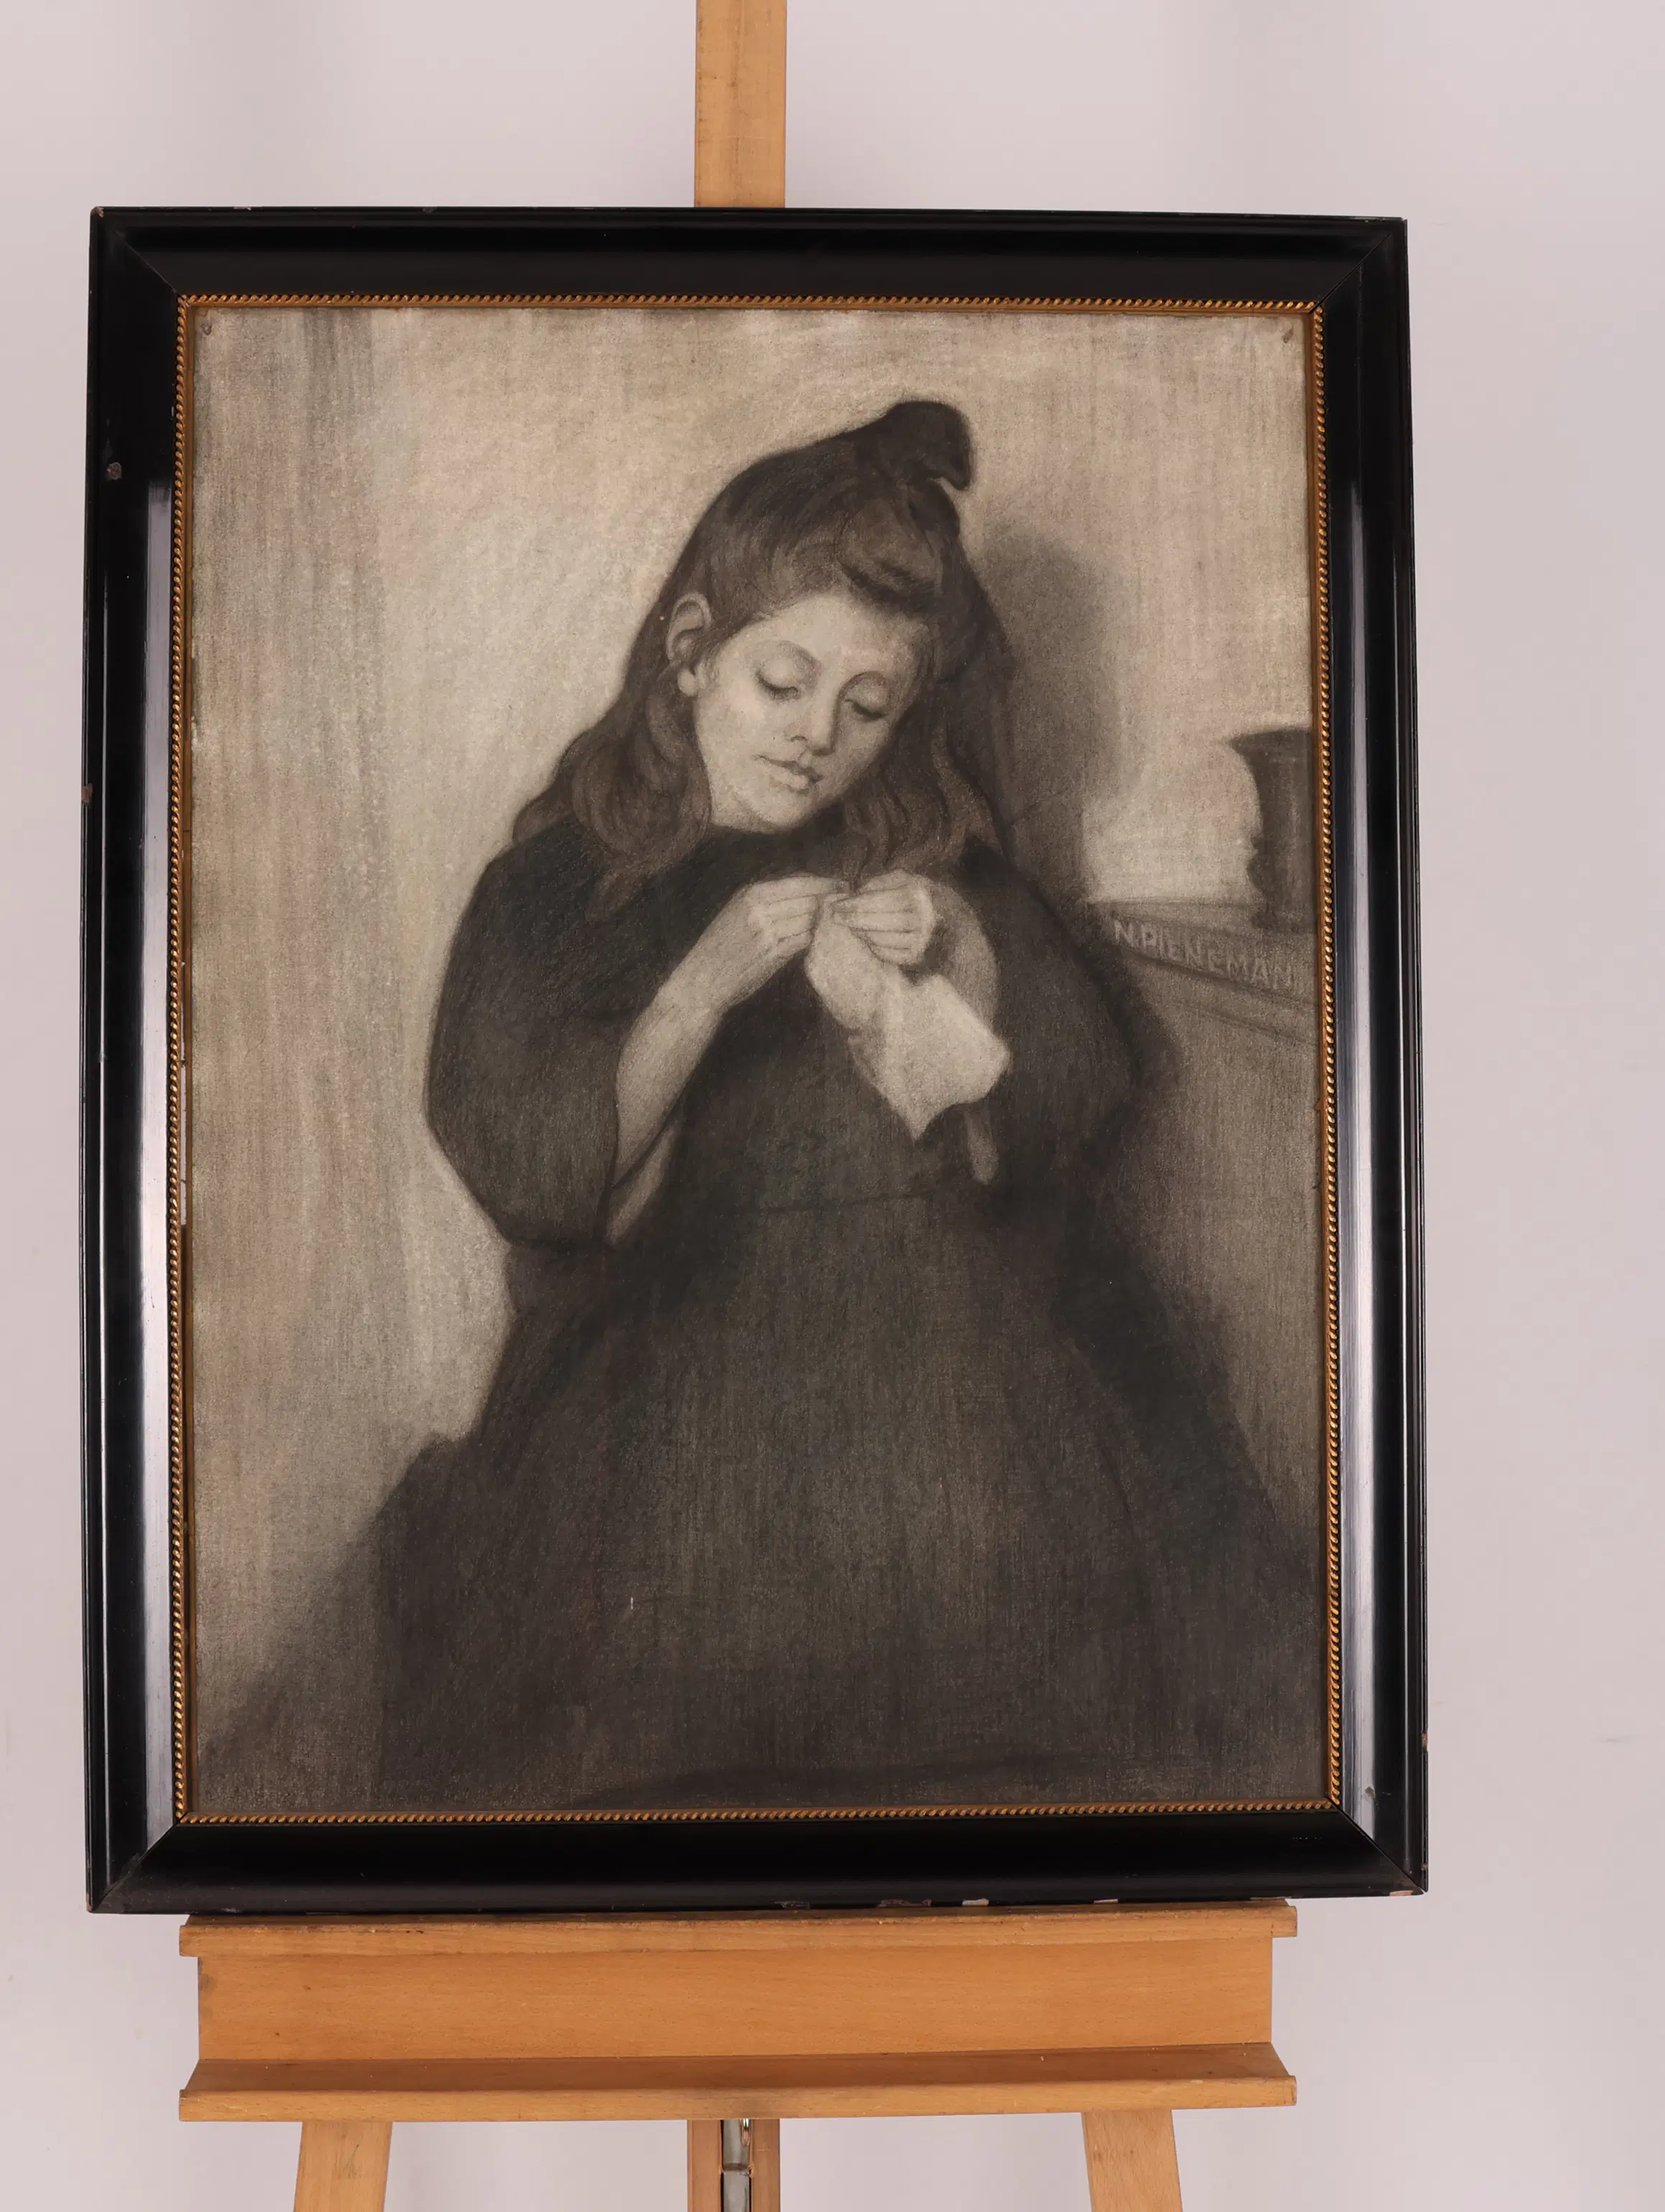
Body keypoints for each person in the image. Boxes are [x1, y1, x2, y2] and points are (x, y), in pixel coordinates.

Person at [360, 399, 1316, 1813]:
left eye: (866, 708)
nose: (817, 737)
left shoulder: (924, 864)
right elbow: (542, 1177)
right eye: (782, 682)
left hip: (964, 1395)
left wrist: (966, 957)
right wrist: (701, 985)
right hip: (674, 1390)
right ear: (693, 650)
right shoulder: (560, 888)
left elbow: (1063, 1113)